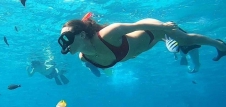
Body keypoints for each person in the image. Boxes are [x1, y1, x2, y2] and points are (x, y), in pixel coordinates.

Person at [58, 13, 226, 69]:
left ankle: (221, 45)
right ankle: (184, 49)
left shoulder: (108, 34)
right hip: (147, 45)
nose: (64, 43)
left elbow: (136, 25)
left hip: (151, 30)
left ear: (81, 35)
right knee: (182, 45)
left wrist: (164, 26)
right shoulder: (84, 58)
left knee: (186, 40)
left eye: (66, 37)